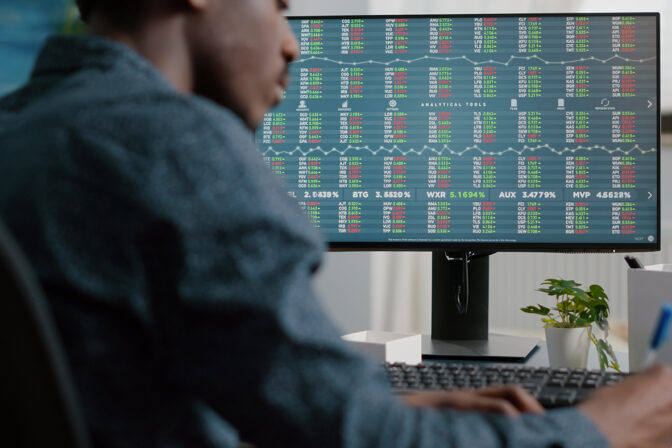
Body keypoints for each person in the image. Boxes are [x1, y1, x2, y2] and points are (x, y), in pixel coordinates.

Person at [1, 0, 671, 446]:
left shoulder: (25, 125)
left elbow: (129, 384)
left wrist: (376, 405)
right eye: (279, 5)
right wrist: (608, 423)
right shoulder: (170, 140)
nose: (292, 44)